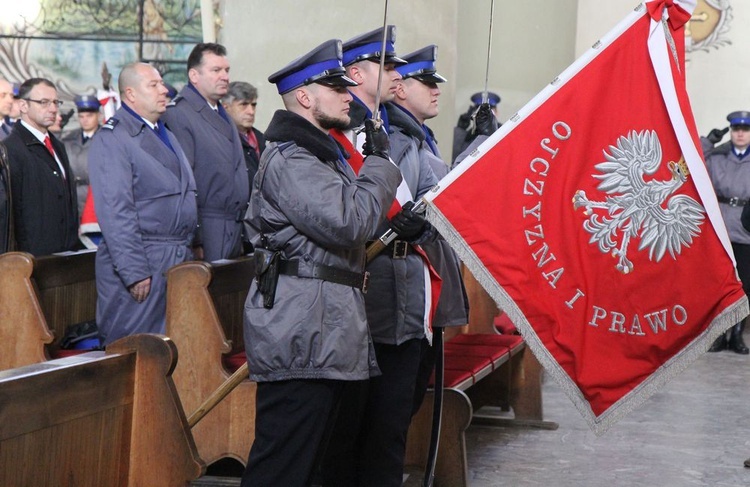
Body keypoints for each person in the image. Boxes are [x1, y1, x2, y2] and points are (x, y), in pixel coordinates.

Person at [241, 39, 402, 487]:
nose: (347, 94)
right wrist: (380, 163)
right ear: (306, 97)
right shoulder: (292, 158)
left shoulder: (318, 156)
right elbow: (351, 222)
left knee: (321, 466)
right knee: (284, 466)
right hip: (302, 332)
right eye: (335, 86)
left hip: (325, 328)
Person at [321, 28, 442, 487]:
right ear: (355, 74)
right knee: (351, 429)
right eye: (386, 66)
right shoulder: (337, 140)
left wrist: (420, 222)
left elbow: (430, 200)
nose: (397, 74)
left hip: (404, 294)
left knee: (390, 427)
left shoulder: (400, 137)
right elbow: (344, 215)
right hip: (363, 295)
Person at [88, 62, 198, 346]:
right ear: (131, 94)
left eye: (162, 84)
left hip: (173, 257)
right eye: (154, 85)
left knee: (171, 350)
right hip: (144, 260)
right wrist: (134, 271)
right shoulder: (114, 138)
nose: (164, 90)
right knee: (138, 350)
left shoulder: (163, 132)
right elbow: (115, 212)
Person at [162, 42, 249, 262]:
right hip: (208, 229)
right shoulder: (180, 114)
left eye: (226, 70)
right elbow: (184, 182)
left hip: (233, 227)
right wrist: (196, 238)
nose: (224, 77)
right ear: (194, 75)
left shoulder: (221, 113)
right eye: (216, 70)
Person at [4, 78, 80, 256]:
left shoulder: (57, 146)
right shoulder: (10, 149)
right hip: (32, 260)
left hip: (65, 256)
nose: (53, 108)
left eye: (55, 102)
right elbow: (9, 214)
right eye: (44, 102)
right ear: (23, 105)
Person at [703, 110, 750, 354]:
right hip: (720, 227)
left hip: (746, 228)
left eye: (746, 129)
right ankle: (719, 335)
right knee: (718, 285)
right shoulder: (718, 155)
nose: (740, 133)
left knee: (744, 286)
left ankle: (737, 336)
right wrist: (709, 140)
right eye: (736, 129)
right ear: (731, 131)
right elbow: (690, 160)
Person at [63, 95, 102, 214]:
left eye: (89, 116)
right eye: (81, 116)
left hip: (95, 197)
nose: (85, 120)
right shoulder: (68, 139)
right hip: (71, 196)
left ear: (98, 115)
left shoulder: (106, 139)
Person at [222, 81, 265, 188]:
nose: (251, 111)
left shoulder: (262, 138)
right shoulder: (220, 139)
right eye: (243, 104)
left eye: (253, 105)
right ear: (225, 107)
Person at [452, 90, 501, 164]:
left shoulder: (504, 132)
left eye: (489, 110)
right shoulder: (469, 136)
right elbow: (455, 161)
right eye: (480, 110)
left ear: (496, 112)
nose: (484, 115)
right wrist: (460, 130)